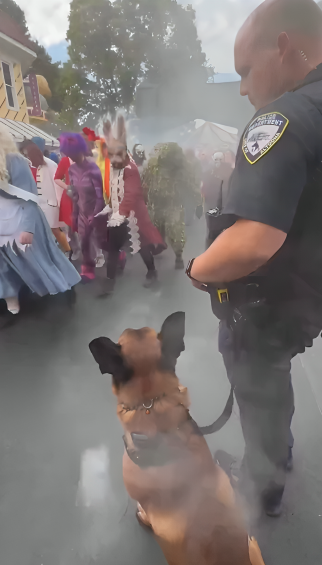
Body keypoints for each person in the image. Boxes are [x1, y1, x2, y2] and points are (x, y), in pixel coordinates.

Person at [186, 0, 322, 518]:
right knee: (274, 377)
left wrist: (198, 269)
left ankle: (264, 485)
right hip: (309, 291)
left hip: (272, 302)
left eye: (245, 70)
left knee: (260, 380)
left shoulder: (283, 118)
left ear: (284, 46)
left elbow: (255, 239)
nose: (243, 88)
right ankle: (276, 456)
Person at [0, 124, 80, 314]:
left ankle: (65, 289)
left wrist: (28, 227)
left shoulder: (15, 160)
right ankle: (15, 298)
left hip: (25, 217)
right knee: (8, 263)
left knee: (43, 259)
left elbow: (31, 195)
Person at [95, 115, 166, 295]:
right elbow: (113, 191)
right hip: (118, 215)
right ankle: (109, 281)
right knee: (113, 248)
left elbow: (132, 194)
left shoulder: (130, 168)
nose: (113, 158)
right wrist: (110, 208)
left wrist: (120, 214)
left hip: (133, 216)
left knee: (141, 246)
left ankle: (152, 273)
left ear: (125, 153)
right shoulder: (113, 168)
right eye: (111, 155)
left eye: (117, 154)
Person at [142, 142, 198, 269]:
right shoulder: (153, 165)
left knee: (176, 231)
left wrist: (194, 197)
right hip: (156, 203)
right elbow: (145, 179)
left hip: (174, 204)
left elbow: (190, 183)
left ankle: (178, 255)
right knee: (157, 226)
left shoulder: (182, 166)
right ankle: (161, 244)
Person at [61, 132, 105, 281]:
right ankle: (87, 269)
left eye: (72, 153)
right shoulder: (71, 170)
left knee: (102, 241)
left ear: (80, 150)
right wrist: (74, 213)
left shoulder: (93, 169)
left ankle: (119, 255)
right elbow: (75, 194)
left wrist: (95, 214)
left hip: (96, 210)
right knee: (84, 241)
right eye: (68, 153)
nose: (70, 156)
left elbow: (100, 196)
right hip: (81, 212)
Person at [18, 140, 70, 254]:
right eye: (23, 153)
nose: (25, 156)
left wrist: (60, 204)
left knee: (55, 230)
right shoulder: (25, 165)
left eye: (26, 153)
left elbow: (58, 185)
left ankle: (67, 250)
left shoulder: (50, 164)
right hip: (35, 203)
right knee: (38, 231)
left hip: (50, 203)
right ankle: (46, 253)